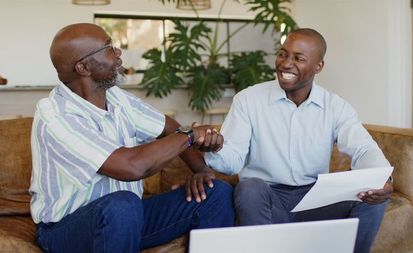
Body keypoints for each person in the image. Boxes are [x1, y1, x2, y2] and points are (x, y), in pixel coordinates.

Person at [29, 23, 234, 253]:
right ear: (83, 67)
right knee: (122, 205)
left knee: (216, 193)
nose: (118, 53)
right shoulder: (54, 114)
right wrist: (190, 135)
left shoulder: (117, 98)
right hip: (65, 230)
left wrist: (201, 171)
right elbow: (131, 167)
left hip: (126, 217)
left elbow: (170, 128)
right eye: (108, 47)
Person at [204, 28, 393, 253]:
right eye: (283, 54)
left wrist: (382, 178)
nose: (285, 63)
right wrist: (215, 148)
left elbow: (362, 148)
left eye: (298, 58)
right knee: (249, 188)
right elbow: (233, 161)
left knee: (372, 196)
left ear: (318, 66)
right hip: (267, 197)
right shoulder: (248, 100)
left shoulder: (335, 106)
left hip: (315, 198)